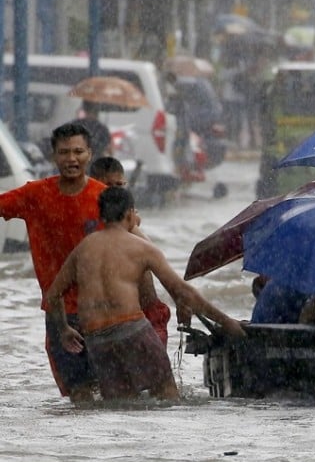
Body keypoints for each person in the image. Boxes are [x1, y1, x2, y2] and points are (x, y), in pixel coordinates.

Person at [45, 186, 245, 402]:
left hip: (97, 339)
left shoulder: (83, 248)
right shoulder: (142, 248)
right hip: (132, 330)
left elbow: (52, 296)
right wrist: (226, 321)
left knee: (120, 405)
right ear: (130, 214)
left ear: (101, 215)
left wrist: (64, 329)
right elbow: (183, 291)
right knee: (168, 396)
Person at [0, 122, 106, 402]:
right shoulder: (34, 194)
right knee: (78, 396)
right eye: (64, 152)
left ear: (90, 154)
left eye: (78, 152)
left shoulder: (103, 198)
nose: (71, 159)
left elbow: (130, 245)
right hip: (59, 313)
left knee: (109, 393)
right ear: (53, 157)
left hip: (102, 308)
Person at [89, 156, 178, 346]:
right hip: (115, 320)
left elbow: (154, 256)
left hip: (147, 315)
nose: (113, 191)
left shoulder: (128, 220)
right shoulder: (92, 223)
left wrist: (180, 297)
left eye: (118, 185)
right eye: (106, 185)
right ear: (92, 186)